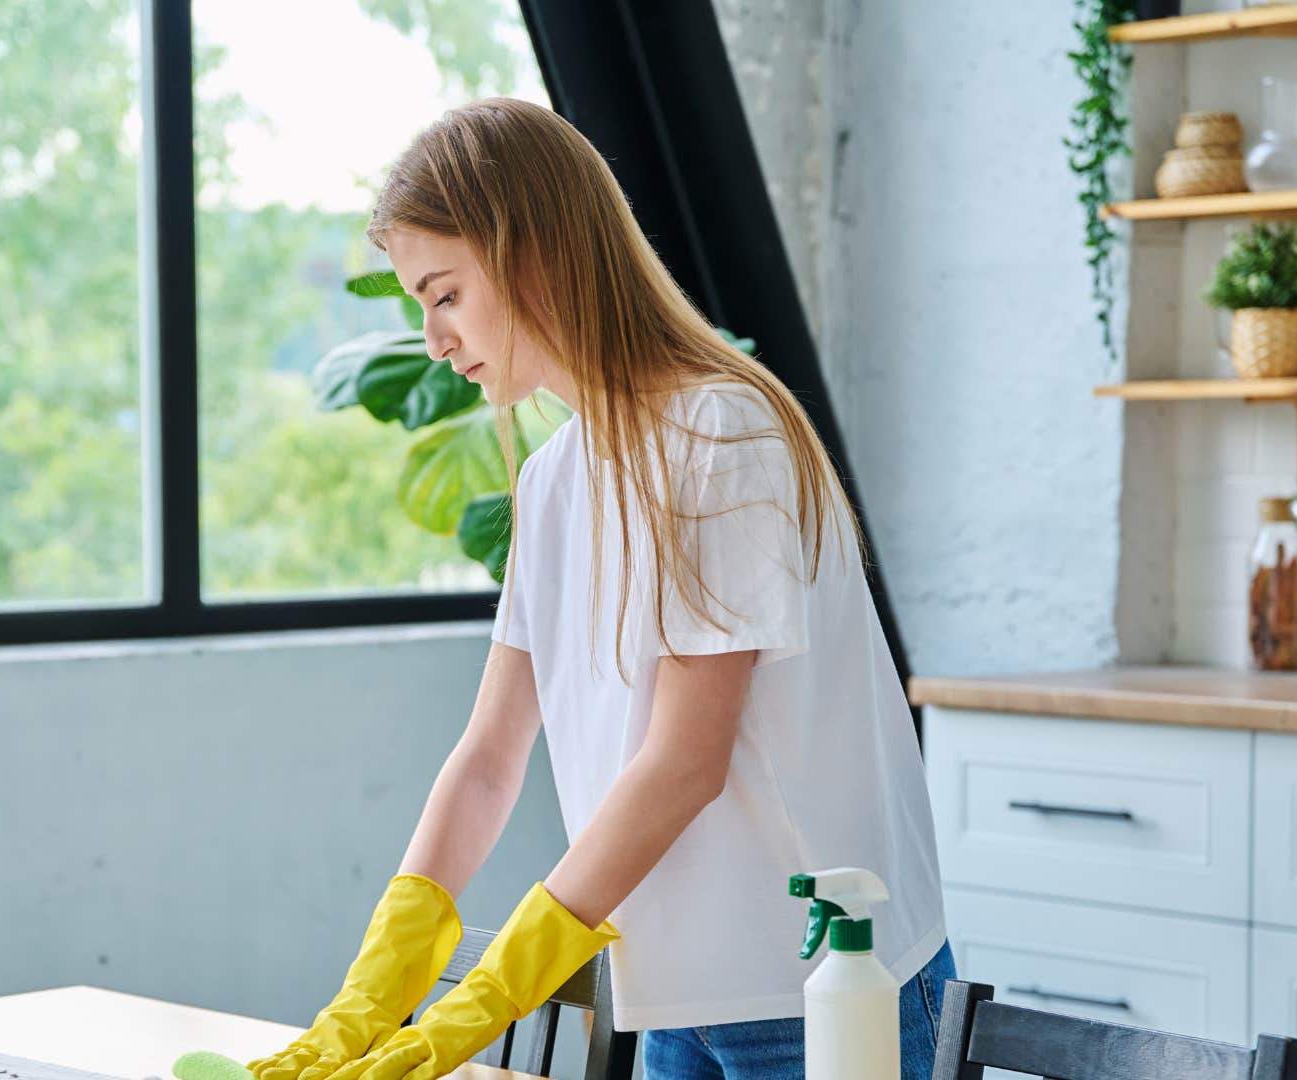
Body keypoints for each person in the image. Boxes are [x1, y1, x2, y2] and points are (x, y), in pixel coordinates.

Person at [247, 97, 951, 1080]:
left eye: (445, 293)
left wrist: (495, 990)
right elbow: (491, 756)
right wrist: (379, 984)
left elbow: (684, 761)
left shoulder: (723, 437)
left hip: (819, 991)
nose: (433, 338)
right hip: (674, 998)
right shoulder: (553, 483)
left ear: (531, 252)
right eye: (420, 303)